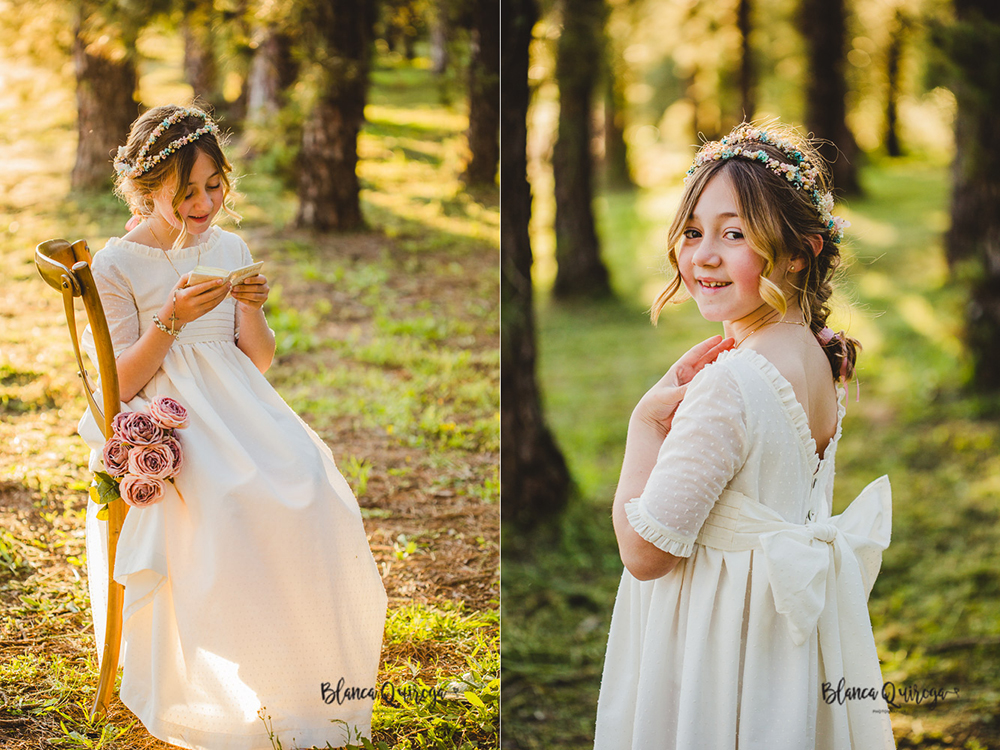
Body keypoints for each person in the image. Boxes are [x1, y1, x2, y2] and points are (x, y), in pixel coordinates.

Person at [78, 104, 387, 749]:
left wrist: (252, 310)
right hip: (169, 411)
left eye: (214, 185)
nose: (204, 202)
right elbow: (121, 383)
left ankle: (297, 670)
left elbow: (259, 360)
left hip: (241, 403)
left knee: (310, 485)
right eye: (184, 191)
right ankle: (226, 674)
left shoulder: (230, 247)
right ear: (144, 186)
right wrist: (169, 317)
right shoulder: (116, 266)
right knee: (233, 498)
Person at [593, 122, 895, 750]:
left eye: (734, 235)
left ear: (798, 252)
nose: (703, 254)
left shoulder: (730, 384)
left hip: (717, 642)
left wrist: (643, 427)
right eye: (695, 231)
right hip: (780, 640)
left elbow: (647, 555)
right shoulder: (817, 359)